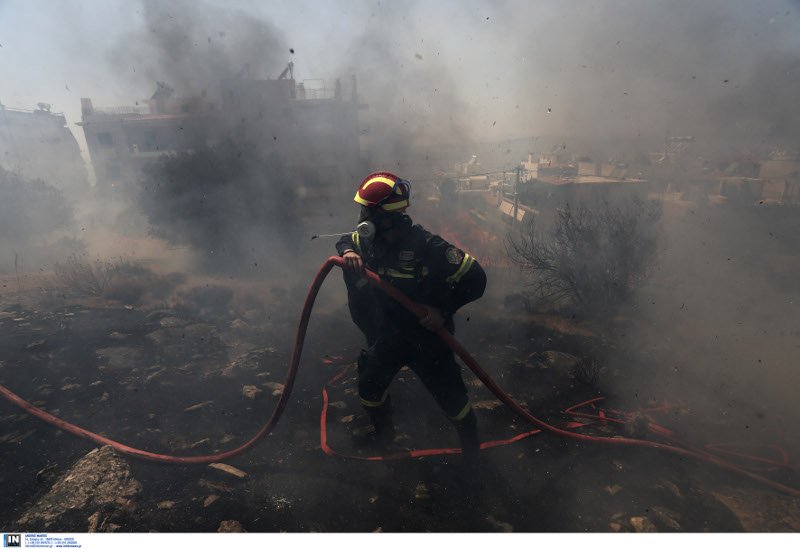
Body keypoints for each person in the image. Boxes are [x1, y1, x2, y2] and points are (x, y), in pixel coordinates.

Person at [335, 171, 487, 456]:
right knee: (369, 387)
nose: (362, 217)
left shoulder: (427, 246)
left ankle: (472, 452)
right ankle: (384, 436)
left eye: (367, 211)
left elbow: (476, 278)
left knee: (453, 400)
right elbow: (346, 239)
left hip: (426, 340)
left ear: (386, 217)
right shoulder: (369, 242)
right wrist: (347, 252)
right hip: (388, 337)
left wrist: (442, 310)